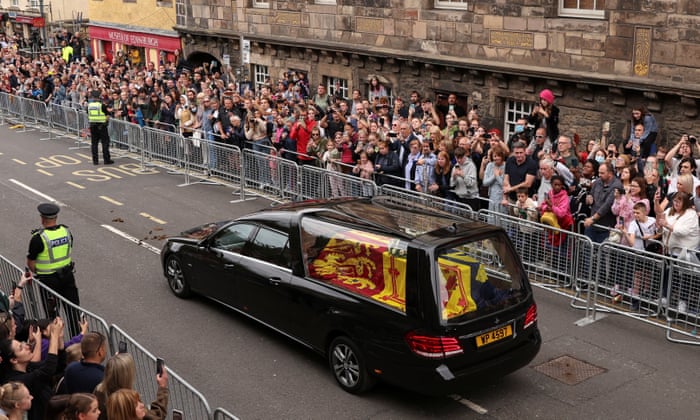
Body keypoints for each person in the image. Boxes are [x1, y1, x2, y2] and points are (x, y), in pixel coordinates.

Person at [0, 317, 65, 420]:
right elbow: (48, 370)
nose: (27, 346)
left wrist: (59, 338)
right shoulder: (16, 381)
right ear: (14, 360)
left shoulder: (28, 367)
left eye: (22, 343)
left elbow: (57, 366)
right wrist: (53, 335)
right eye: (21, 348)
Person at [27, 203, 80, 320]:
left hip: (48, 281)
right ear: (56, 217)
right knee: (74, 313)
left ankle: (56, 337)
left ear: (42, 219)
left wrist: (40, 271)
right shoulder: (66, 232)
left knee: (53, 317)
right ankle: (78, 337)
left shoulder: (38, 238)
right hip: (68, 276)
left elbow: (31, 262)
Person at [94, 353, 168, 420]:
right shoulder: (128, 403)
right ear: (126, 377)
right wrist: (162, 387)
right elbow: (157, 416)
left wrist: (116, 362)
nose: (142, 405)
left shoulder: (98, 391)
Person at [583, 162, 624, 243]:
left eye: (602, 173)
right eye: (599, 172)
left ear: (610, 173)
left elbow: (607, 205)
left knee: (602, 253)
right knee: (587, 250)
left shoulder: (617, 185)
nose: (599, 175)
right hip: (592, 226)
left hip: (605, 227)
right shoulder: (597, 182)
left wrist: (592, 219)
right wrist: (589, 199)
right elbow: (591, 194)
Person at [87, 90, 113, 165]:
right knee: (105, 143)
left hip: (92, 126)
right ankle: (106, 160)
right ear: (98, 97)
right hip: (102, 126)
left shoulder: (89, 105)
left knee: (94, 144)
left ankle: (95, 161)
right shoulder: (102, 105)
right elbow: (107, 114)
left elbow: (88, 113)